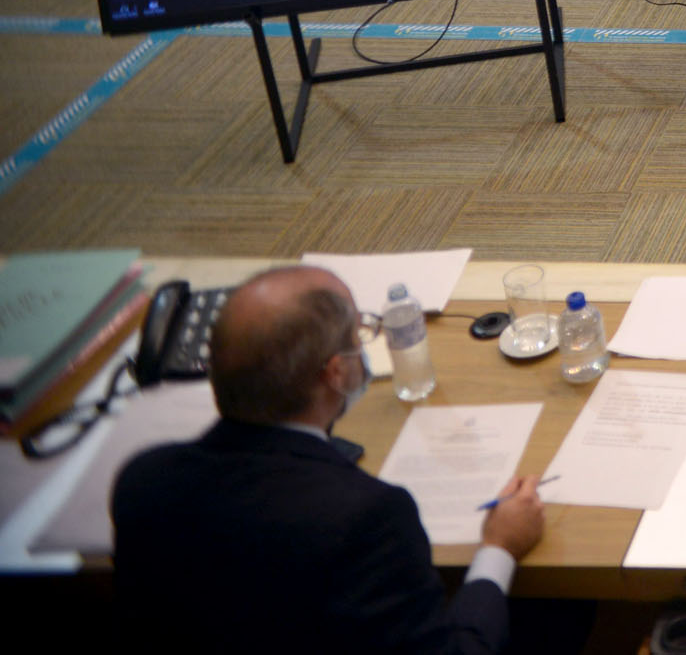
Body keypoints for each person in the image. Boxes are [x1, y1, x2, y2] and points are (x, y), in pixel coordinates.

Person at [111, 264, 545, 652]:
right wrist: (499, 547)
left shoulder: (143, 480)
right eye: (358, 338)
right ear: (336, 372)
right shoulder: (368, 518)